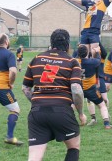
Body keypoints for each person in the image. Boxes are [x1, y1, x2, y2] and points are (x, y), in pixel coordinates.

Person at [22, 29, 87, 161]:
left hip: (37, 113)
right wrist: (80, 113)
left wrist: (37, 103)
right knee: (73, 146)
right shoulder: (72, 61)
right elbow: (76, 89)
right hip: (61, 111)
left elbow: (25, 88)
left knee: (34, 157)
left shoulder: (36, 58)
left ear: (51, 43)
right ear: (68, 45)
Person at [77, 45, 112, 129]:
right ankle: (107, 124)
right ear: (87, 53)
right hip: (91, 89)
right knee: (102, 105)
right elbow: (98, 60)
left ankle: (68, 121)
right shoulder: (92, 62)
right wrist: (97, 52)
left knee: (72, 106)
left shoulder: (75, 61)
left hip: (79, 89)